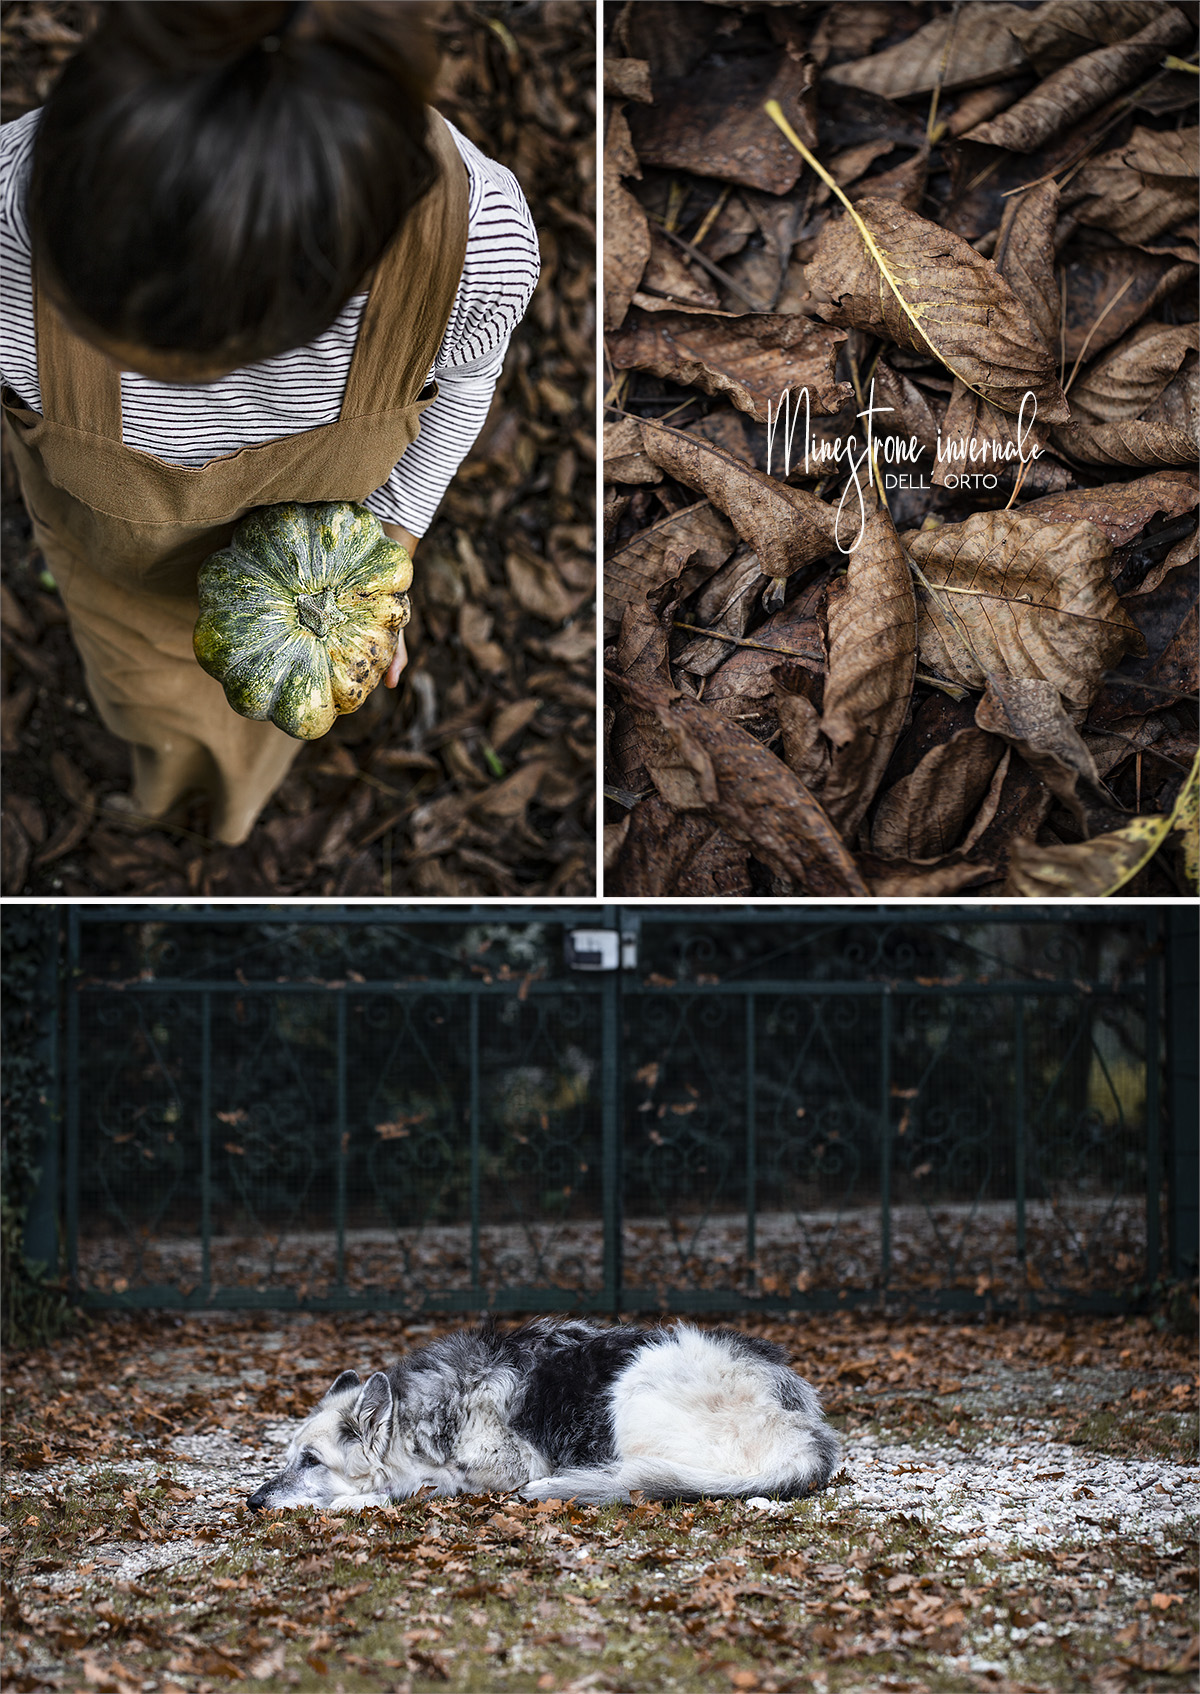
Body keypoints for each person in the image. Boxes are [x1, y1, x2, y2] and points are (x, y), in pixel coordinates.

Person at [0, 0, 539, 846]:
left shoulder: (471, 252)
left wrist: (394, 535)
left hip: (314, 573)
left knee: (256, 725)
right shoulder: (8, 216)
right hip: (113, 568)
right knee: (143, 698)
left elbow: (468, 386)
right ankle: (161, 787)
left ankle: (230, 812)